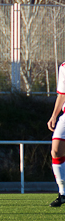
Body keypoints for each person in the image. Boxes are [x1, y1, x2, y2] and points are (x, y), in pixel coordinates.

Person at [47, 60, 65, 207]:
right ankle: (63, 193)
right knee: (56, 150)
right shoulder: (64, 67)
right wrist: (54, 115)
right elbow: (62, 94)